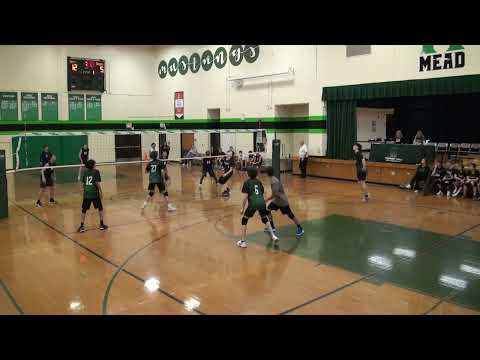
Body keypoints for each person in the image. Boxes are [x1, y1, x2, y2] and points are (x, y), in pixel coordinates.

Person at [238, 167, 278, 248]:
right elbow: (262, 192)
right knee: (264, 218)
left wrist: (242, 208)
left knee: (244, 220)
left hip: (253, 203)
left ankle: (243, 242)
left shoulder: (247, 182)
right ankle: (273, 236)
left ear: (248, 174)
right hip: (261, 202)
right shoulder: (259, 182)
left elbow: (245, 197)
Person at [265, 166, 304, 237]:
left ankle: (300, 228)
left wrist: (266, 200)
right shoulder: (272, 179)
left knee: (290, 215)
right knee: (267, 210)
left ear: (267, 173)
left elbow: (275, 194)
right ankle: (272, 227)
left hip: (282, 202)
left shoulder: (274, 181)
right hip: (277, 201)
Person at [78, 159, 108, 232]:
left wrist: (83, 192)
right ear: (92, 165)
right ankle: (101, 225)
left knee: (84, 210)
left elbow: (82, 184)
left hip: (87, 194)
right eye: (95, 164)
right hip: (94, 193)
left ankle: (82, 226)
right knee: (100, 208)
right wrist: (101, 191)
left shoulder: (85, 172)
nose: (96, 165)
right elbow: (97, 183)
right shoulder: (96, 172)